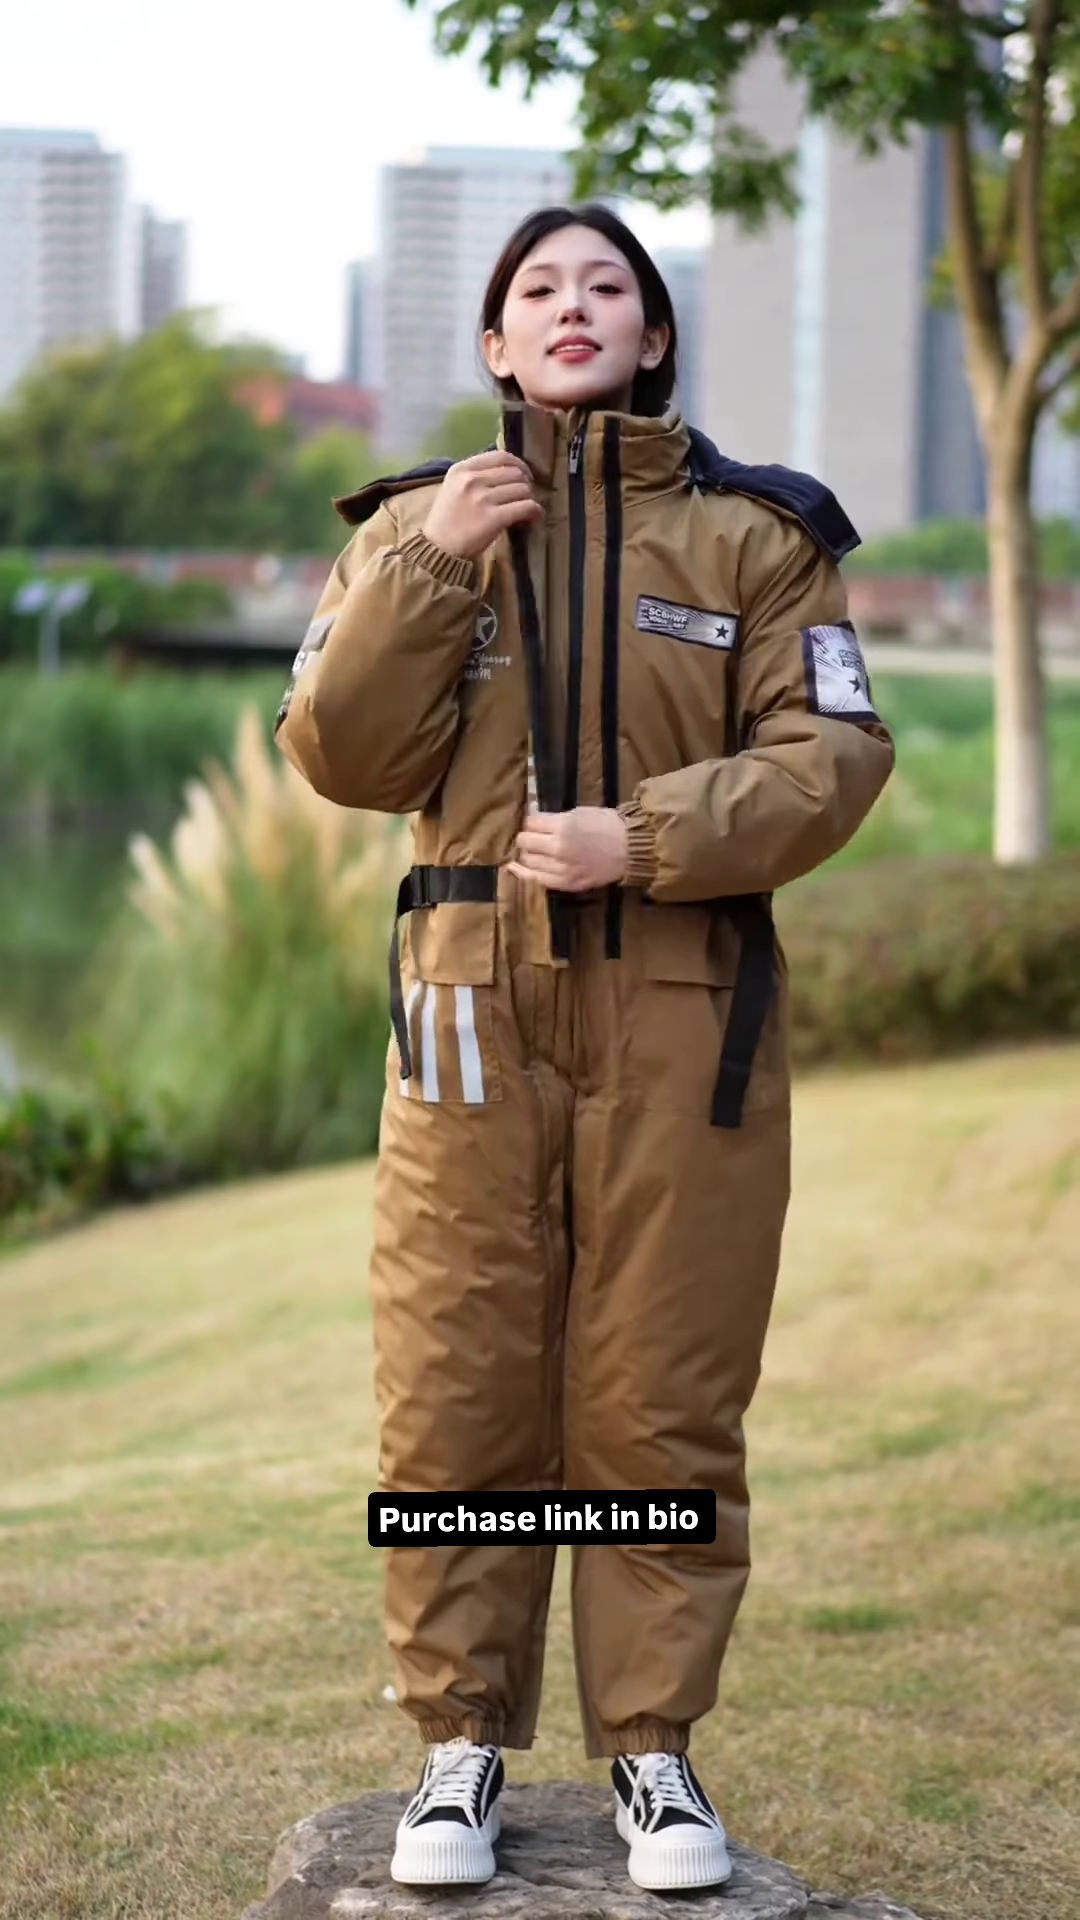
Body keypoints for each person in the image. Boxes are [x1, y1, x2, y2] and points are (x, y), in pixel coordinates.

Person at [275, 203, 895, 1893]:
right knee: (455, 1384)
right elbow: (339, 752)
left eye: (606, 285)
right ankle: (457, 1747)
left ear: (654, 334)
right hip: (464, 1021)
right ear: (494, 343)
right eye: (538, 289)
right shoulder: (409, 527)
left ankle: (654, 1755)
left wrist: (650, 835)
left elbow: (837, 754)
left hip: (688, 1023)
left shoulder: (759, 540)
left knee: (661, 1394)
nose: (572, 307)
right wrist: (431, 567)